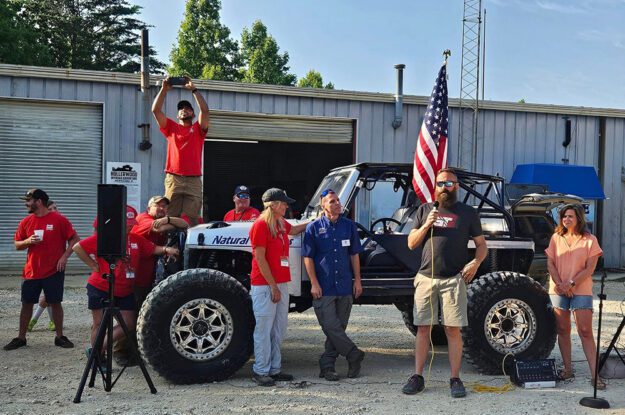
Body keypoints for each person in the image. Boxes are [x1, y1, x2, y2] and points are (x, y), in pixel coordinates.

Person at [402, 168, 487, 398]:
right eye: (441, 183)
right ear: (435, 186)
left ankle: (455, 378)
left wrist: (475, 263)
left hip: (453, 280)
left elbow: (481, 245)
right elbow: (411, 243)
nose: (445, 187)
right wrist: (426, 225)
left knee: (452, 330)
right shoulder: (424, 210)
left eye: (449, 183)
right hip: (426, 278)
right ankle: (417, 376)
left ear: (457, 186)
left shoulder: (468, 213)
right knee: (423, 329)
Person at [72, 206, 179, 361]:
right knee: (100, 324)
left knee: (129, 323)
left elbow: (154, 248)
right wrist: (93, 265)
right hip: (101, 286)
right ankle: (98, 357)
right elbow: (78, 247)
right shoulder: (106, 238)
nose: (130, 226)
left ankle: (96, 348)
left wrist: (167, 249)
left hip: (125, 290)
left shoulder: (135, 239)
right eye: (126, 223)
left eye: (131, 223)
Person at [4, 189, 79, 351]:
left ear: (38, 202)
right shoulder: (26, 221)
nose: (26, 203)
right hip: (31, 271)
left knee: (56, 303)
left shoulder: (59, 220)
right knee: (26, 304)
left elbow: (75, 239)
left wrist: (64, 257)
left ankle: (60, 337)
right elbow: (17, 245)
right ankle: (21, 338)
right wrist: (28, 241)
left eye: (28, 200)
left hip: (54, 270)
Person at [302, 189, 364, 381]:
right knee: (330, 326)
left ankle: (327, 365)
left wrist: (358, 281)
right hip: (324, 286)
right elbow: (308, 257)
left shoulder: (349, 226)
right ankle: (354, 354)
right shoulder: (313, 228)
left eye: (338, 200)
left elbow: (354, 255)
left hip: (345, 286)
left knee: (338, 328)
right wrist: (313, 283)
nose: (337, 204)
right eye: (332, 201)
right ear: (323, 205)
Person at [249, 188, 308, 386]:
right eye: (283, 203)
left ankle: (274, 369)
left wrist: (315, 222)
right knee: (264, 328)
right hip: (266, 285)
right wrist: (273, 286)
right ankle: (261, 370)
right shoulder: (260, 226)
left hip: (280, 283)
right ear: (272, 205)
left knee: (278, 328)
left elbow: (294, 230)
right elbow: (259, 258)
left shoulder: (281, 223)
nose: (286, 206)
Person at [546, 203, 605, 389]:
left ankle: (595, 376)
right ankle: (568, 369)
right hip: (559, 290)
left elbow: (590, 268)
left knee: (585, 331)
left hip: (580, 289)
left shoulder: (590, 240)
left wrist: (571, 284)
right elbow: (550, 264)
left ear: (579, 218)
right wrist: (561, 285)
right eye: (564, 216)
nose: (566, 219)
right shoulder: (556, 238)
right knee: (563, 330)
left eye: (570, 216)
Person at [152, 76, 210, 227]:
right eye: (181, 109)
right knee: (170, 215)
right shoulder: (170, 127)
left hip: (194, 179)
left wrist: (194, 90)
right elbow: (155, 110)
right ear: (177, 115)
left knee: (192, 218)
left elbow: (205, 110)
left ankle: (190, 249)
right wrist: (164, 90)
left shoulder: (198, 129)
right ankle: (171, 248)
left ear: (193, 114)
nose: (184, 110)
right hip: (174, 178)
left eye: (188, 108)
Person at [131, 195, 188, 308]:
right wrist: (175, 225)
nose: (162, 208)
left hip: (150, 274)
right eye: (158, 205)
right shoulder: (143, 218)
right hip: (136, 275)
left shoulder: (163, 220)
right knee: (135, 312)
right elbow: (158, 228)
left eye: (164, 206)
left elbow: (185, 224)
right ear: (148, 208)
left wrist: (168, 219)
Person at [27, 200, 60, 332]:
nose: (55, 210)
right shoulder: (41, 223)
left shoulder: (61, 222)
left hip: (57, 265)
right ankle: (33, 321)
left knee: (51, 296)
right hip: (41, 266)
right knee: (48, 296)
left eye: (56, 208)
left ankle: (51, 322)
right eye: (52, 208)